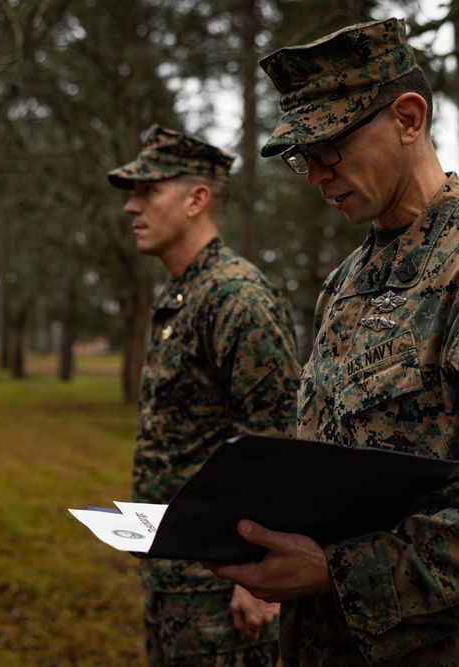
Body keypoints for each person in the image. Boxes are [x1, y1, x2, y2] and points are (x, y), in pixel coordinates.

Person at [206, 18, 459, 666]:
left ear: (409, 118)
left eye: (329, 148)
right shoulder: (348, 283)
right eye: (305, 157)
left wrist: (337, 571)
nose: (316, 175)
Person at [108, 125, 301, 666]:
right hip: (175, 573)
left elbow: (280, 443)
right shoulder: (182, 293)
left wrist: (260, 581)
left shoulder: (237, 298)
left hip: (225, 587)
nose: (131, 207)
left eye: (147, 191)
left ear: (196, 200)